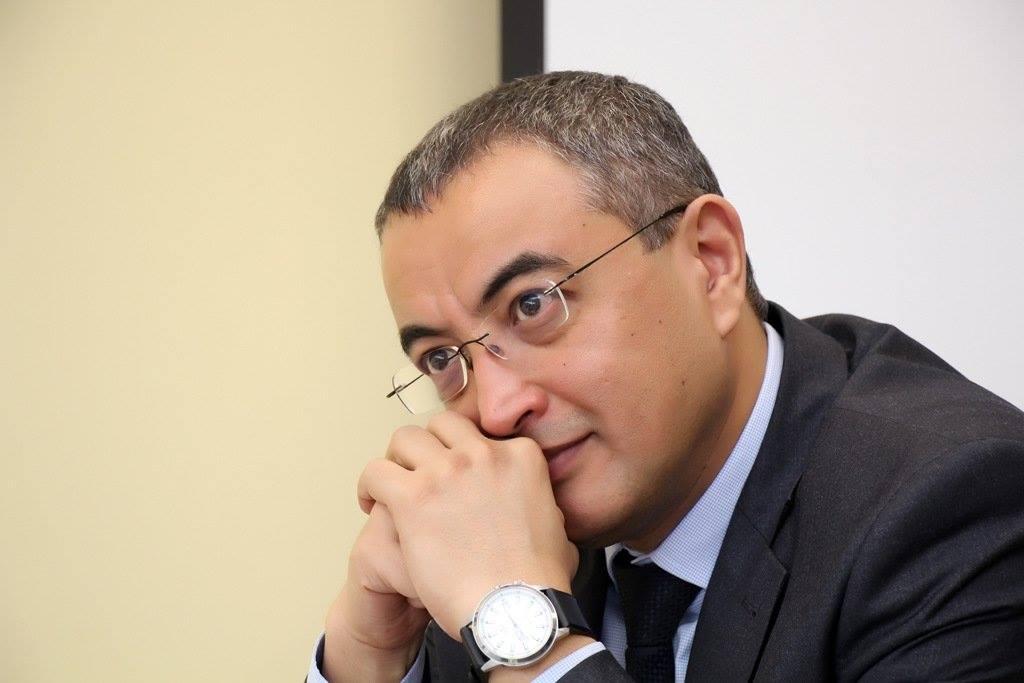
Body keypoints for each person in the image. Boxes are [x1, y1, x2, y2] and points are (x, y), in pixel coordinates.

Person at [306, 71, 1024, 682]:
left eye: (532, 305)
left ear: (710, 262)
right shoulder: (496, 529)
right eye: (442, 358)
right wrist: (370, 653)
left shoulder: (954, 505)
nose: (494, 411)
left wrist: (525, 630)